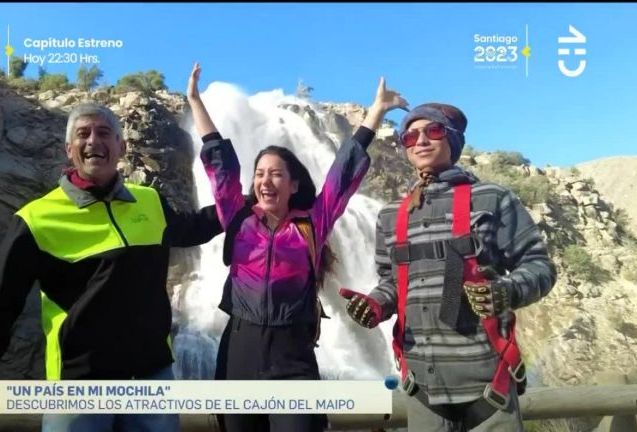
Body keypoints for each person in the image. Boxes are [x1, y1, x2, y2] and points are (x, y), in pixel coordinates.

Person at [0, 102, 223, 432]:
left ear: (121, 147)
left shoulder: (150, 201)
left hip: (151, 375)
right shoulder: (37, 218)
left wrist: (254, 201)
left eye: (104, 133)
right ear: (69, 149)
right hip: (78, 385)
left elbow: (193, 228)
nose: (93, 141)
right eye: (83, 134)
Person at [187, 62, 408, 432]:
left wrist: (376, 112)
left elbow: (342, 174)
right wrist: (195, 101)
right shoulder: (238, 217)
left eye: (276, 173)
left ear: (293, 185)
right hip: (240, 349)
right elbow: (220, 164)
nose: (265, 180)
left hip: (293, 353)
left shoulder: (312, 224)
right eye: (260, 174)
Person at [340, 102, 557, 431]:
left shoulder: (492, 198)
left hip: (489, 389)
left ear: (452, 139)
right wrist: (376, 304)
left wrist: (506, 291)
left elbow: (540, 266)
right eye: (410, 136)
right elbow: (393, 282)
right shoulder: (391, 215)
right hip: (422, 390)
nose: (421, 140)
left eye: (434, 130)